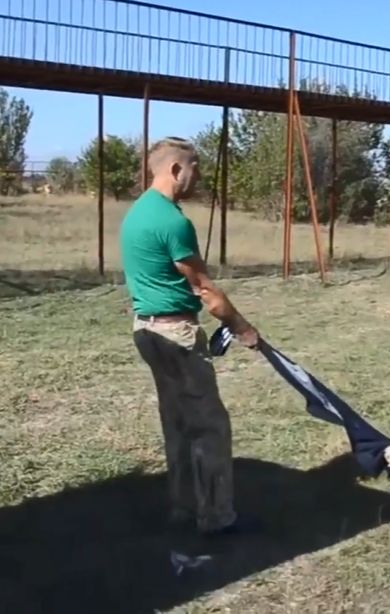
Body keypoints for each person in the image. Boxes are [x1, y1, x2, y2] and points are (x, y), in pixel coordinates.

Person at [119, 136, 260, 537]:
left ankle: (183, 506)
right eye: (194, 166)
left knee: (177, 421)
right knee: (209, 425)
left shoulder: (138, 213)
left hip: (146, 328)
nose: (198, 175)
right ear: (175, 169)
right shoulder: (171, 220)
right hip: (176, 333)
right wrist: (242, 328)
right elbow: (204, 288)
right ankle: (216, 517)